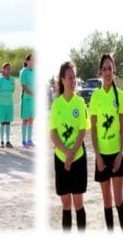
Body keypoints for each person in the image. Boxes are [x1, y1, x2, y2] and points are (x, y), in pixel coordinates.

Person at [90, 54, 123, 231]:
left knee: (118, 200)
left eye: (110, 68)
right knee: (107, 202)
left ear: (114, 70)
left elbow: (122, 128)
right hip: (102, 157)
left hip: (116, 156)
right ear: (100, 71)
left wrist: (120, 155)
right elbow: (93, 129)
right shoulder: (95, 96)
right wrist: (98, 156)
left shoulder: (119, 95)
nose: (107, 72)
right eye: (104, 69)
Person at [50, 61, 89, 231]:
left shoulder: (80, 102)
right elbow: (53, 133)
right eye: (70, 78)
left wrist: (71, 153)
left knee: (78, 203)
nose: (73, 81)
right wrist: (65, 153)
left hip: (78, 158)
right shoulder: (56, 104)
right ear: (62, 80)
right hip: (61, 159)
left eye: (74, 77)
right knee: (66, 204)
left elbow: (82, 130)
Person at [0, 62, 15, 148]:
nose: (9, 70)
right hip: (2, 104)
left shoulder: (12, 79)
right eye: (7, 69)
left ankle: (8, 141)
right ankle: (2, 141)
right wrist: (0, 99)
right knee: (2, 123)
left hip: (10, 104)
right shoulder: (0, 80)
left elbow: (13, 90)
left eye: (10, 69)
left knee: (8, 122)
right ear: (3, 70)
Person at [19, 54, 35, 148]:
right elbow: (24, 86)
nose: (34, 61)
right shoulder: (23, 72)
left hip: (34, 99)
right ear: (27, 61)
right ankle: (23, 140)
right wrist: (32, 93)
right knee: (25, 119)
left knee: (31, 119)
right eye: (32, 60)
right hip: (26, 98)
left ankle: (29, 140)